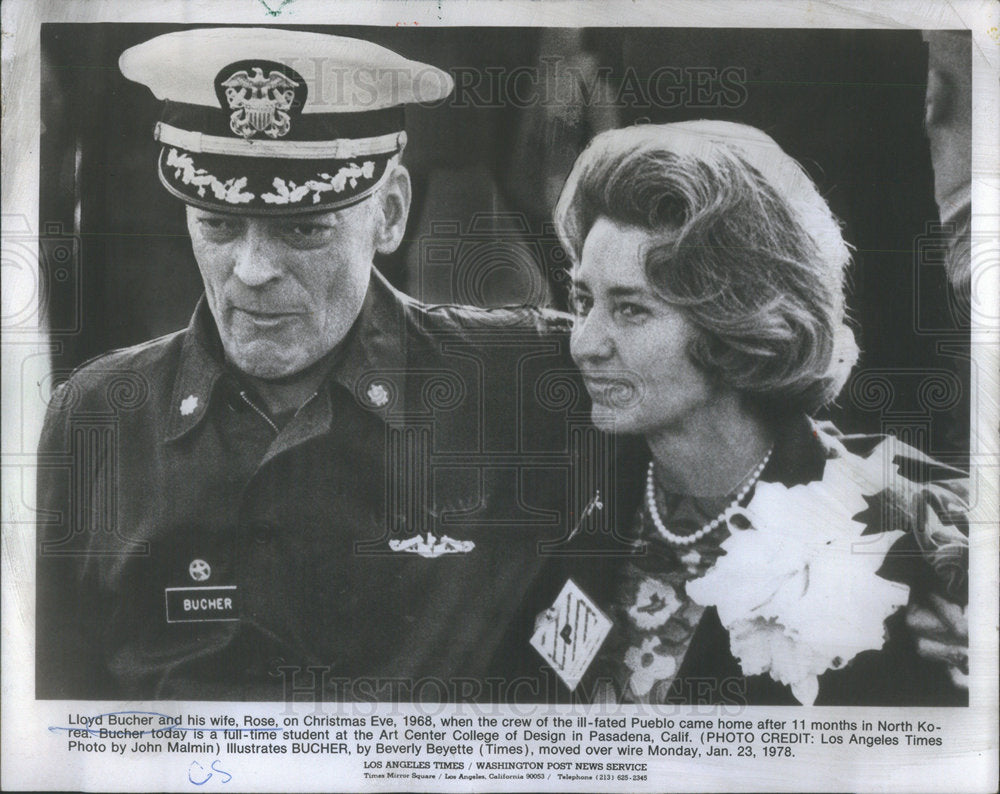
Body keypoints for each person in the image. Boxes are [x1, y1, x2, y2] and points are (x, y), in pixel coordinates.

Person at [35, 27, 583, 702]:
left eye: (305, 228)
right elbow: (52, 716)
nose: (254, 270)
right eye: (218, 223)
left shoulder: (529, 380)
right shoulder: (96, 415)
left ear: (389, 214)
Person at [553, 121, 970, 706]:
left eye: (631, 310)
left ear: (736, 324)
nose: (584, 343)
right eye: (582, 300)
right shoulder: (568, 490)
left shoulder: (892, 536)